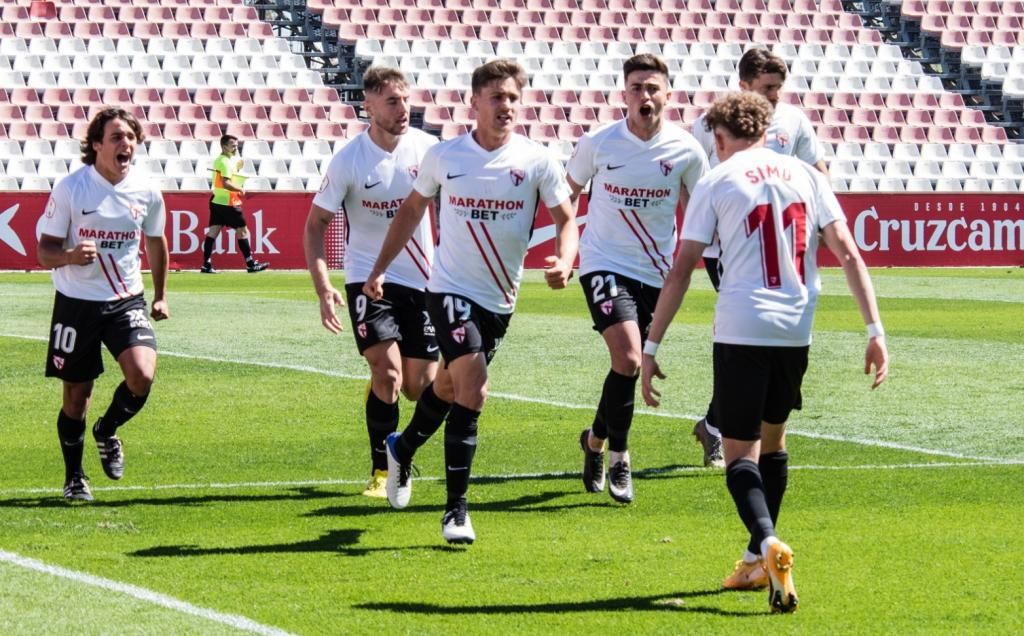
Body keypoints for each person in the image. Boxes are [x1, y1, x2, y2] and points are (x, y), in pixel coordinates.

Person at [640, 92, 889, 613]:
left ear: (721, 137)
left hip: (741, 327)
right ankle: (756, 558)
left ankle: (769, 541)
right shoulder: (807, 176)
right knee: (774, 443)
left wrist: (652, 343)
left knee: (738, 454)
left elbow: (682, 269)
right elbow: (848, 253)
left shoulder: (716, 180)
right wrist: (875, 330)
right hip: (796, 330)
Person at [363, 59, 578, 544]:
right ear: (474, 102)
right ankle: (456, 512)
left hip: (499, 299)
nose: (506, 106)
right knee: (474, 388)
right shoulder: (446, 157)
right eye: (496, 97)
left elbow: (567, 220)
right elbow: (410, 214)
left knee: (446, 388)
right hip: (449, 290)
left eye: (512, 98)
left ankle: (402, 446)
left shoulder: (538, 160)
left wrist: (566, 260)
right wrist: (378, 269)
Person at [566, 54, 707, 504]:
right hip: (603, 263)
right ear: (623, 94)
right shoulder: (598, 143)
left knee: (622, 368)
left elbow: (701, 208)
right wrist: (566, 250)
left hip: (655, 273)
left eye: (652, 88)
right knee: (628, 358)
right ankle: (620, 459)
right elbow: (565, 193)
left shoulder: (686, 150)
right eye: (636, 88)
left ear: (668, 94)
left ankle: (594, 440)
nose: (644, 96)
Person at [687, 47, 830, 470]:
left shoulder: (794, 122)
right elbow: (697, 178)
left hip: (783, 241)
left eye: (778, 89)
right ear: (744, 85)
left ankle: (720, 424)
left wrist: (820, 221)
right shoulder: (712, 124)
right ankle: (723, 429)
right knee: (744, 335)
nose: (774, 97)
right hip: (727, 245)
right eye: (766, 88)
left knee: (757, 341)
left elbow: (818, 170)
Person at [303, 67, 440, 498]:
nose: (403, 110)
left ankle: (394, 426)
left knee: (419, 388)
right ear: (370, 105)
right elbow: (315, 226)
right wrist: (324, 287)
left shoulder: (429, 150)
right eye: (393, 102)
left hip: (422, 279)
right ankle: (383, 471)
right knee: (390, 374)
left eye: (406, 100)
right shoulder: (349, 160)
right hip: (367, 279)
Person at [37, 107, 170, 502]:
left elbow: (156, 242)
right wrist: (70, 256)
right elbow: (45, 250)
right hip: (76, 303)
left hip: (124, 299)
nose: (125, 144)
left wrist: (161, 294)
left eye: (130, 137)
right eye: (116, 137)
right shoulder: (72, 189)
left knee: (142, 376)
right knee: (76, 397)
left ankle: (107, 430)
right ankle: (75, 477)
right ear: (96, 145)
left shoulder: (147, 191)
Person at [200, 134, 269, 273]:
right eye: (233, 145)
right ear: (224, 146)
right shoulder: (225, 161)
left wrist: (237, 167)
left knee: (213, 232)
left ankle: (206, 264)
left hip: (217, 200)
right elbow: (226, 183)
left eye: (237, 145)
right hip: (229, 202)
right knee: (243, 231)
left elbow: (227, 178)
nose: (235, 147)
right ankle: (250, 263)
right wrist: (240, 189)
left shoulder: (223, 159)